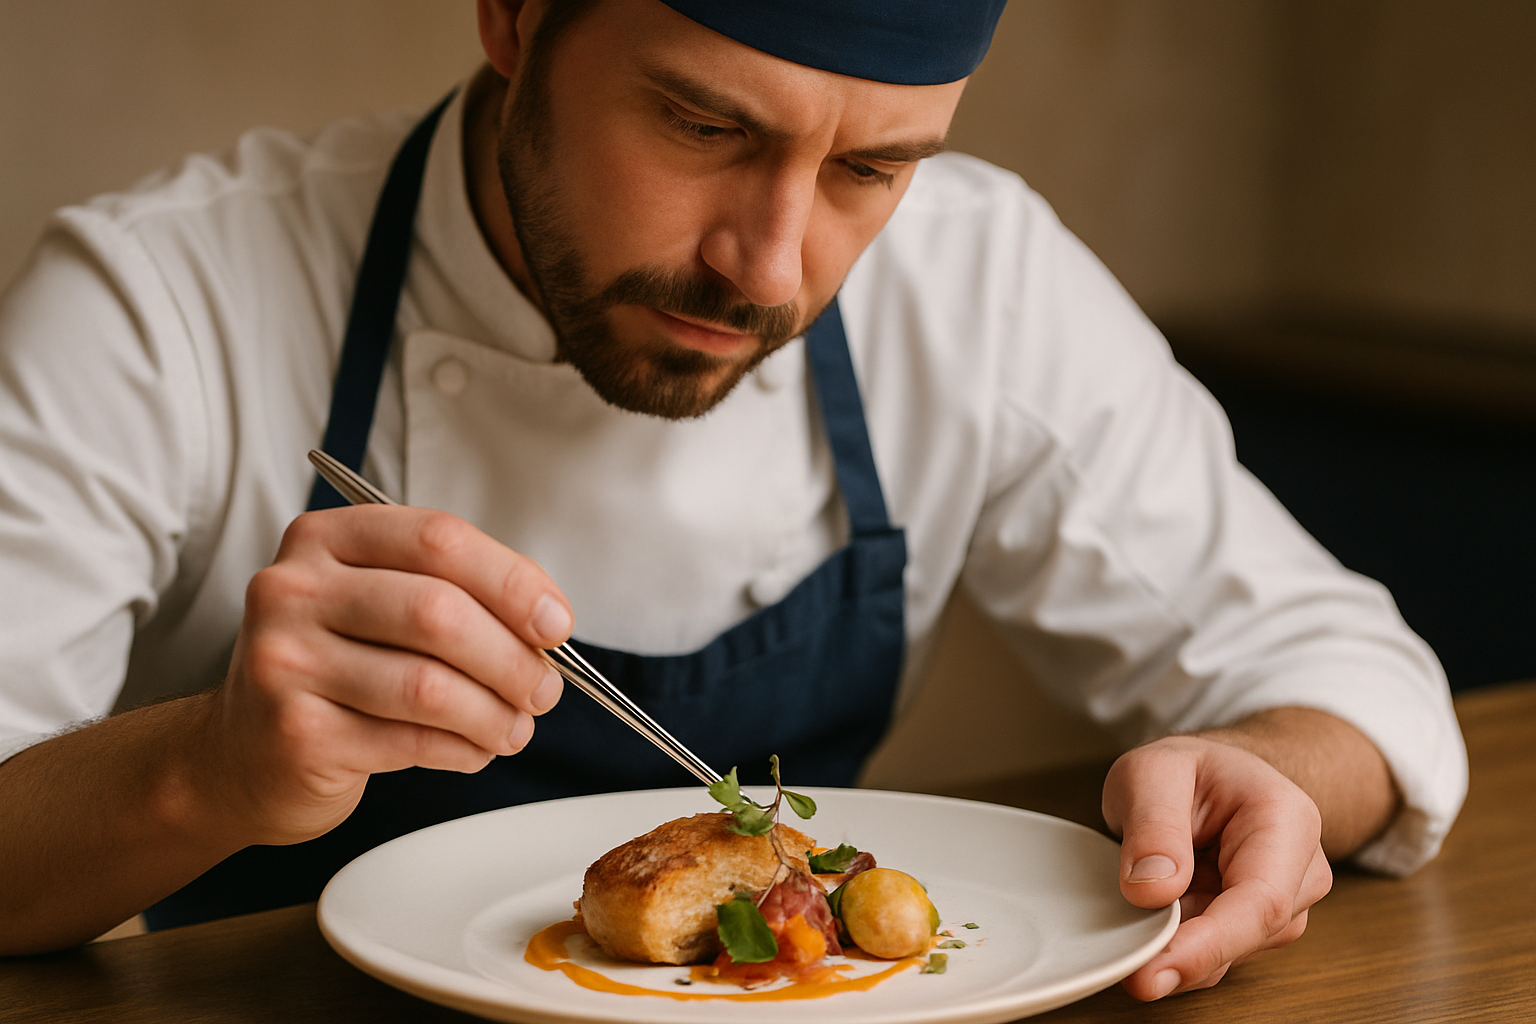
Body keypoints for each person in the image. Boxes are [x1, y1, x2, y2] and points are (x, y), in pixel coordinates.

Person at [0, 0, 1465, 1001]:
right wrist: (212, 767)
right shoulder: (161, 302)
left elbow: (1355, 682)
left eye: (870, 168)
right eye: (704, 127)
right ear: (514, 15)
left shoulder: (983, 284)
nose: (770, 268)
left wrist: (1265, 771)